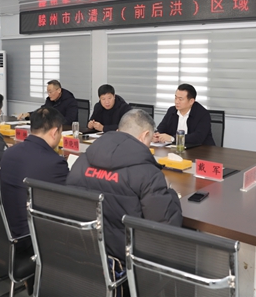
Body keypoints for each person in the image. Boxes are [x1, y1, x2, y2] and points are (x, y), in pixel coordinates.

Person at [67, 109, 182, 262]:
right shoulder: (148, 173)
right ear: (145, 135)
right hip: (126, 258)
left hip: (81, 251)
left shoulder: (82, 161)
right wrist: (171, 193)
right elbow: (165, 229)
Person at [0, 107, 69, 242]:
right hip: (33, 238)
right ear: (54, 132)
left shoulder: (9, 153)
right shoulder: (54, 163)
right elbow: (67, 203)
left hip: (5, 230)